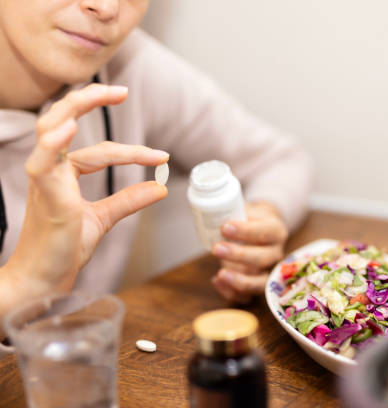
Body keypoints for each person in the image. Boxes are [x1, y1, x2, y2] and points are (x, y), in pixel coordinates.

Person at [0, 0, 313, 344]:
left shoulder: (127, 65)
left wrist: (260, 222)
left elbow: (281, 159)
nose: (106, 8)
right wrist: (21, 286)